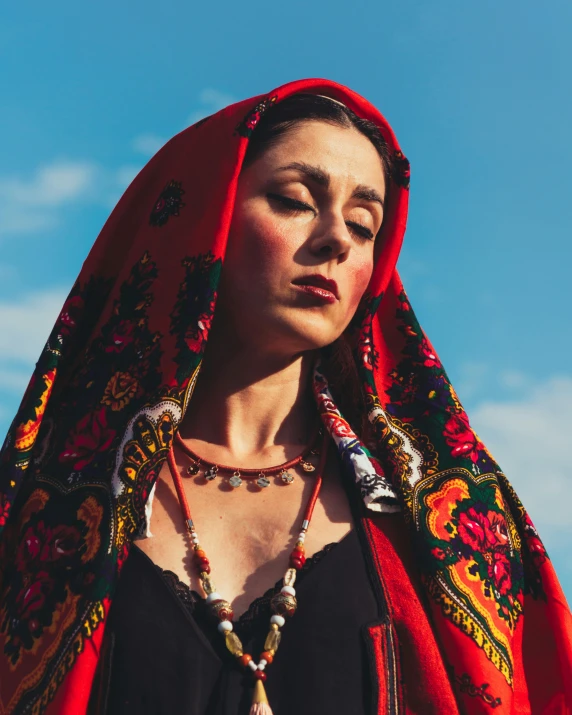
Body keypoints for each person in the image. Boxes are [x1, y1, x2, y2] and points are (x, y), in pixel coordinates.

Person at [0, 78, 570, 715]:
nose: (338, 239)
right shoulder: (42, 510)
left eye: (364, 223)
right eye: (295, 200)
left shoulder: (448, 519)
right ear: (201, 222)